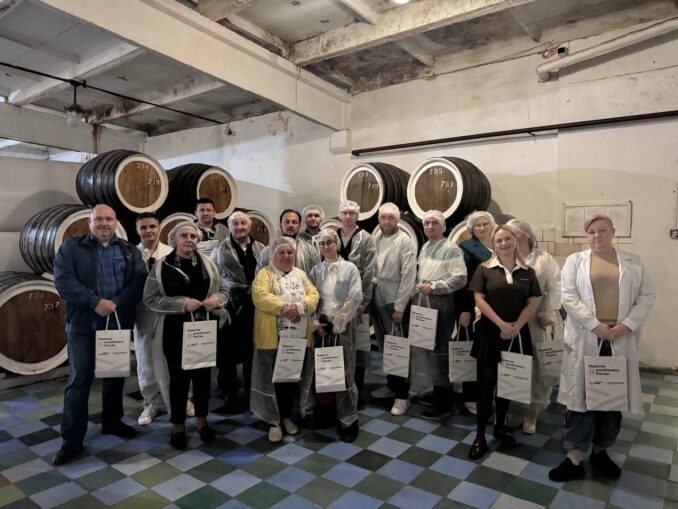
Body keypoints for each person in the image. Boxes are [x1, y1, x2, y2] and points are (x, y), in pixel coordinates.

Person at [549, 215, 656, 482]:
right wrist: (594, 325)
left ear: (613, 232)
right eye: (591, 232)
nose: (597, 236)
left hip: (619, 339)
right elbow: (568, 296)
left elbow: (647, 296)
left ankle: (600, 452)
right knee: (580, 401)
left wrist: (625, 326)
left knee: (610, 398)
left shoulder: (633, 262)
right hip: (587, 337)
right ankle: (574, 457)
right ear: (586, 235)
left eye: (602, 230)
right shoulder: (575, 261)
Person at [52, 204, 147, 465]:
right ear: (90, 222)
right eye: (99, 219)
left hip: (116, 323)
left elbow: (139, 281)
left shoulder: (128, 251)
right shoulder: (71, 248)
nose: (104, 223)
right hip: (81, 326)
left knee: (114, 377)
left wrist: (116, 302)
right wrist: (95, 302)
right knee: (79, 381)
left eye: (109, 219)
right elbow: (63, 281)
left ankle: (112, 422)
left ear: (116, 222)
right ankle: (71, 440)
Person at [143, 221, 229, 450]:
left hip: (204, 328)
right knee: (178, 379)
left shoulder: (209, 264)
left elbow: (224, 291)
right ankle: (178, 424)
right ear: (174, 239)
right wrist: (182, 304)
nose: (189, 239)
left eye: (193, 236)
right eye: (184, 235)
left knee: (203, 377)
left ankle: (201, 420)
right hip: (175, 330)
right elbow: (150, 299)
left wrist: (216, 300)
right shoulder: (161, 266)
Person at [467, 225, 542, 460]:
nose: (504, 244)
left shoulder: (527, 271)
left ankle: (500, 428)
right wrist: (502, 325)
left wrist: (516, 326)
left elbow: (534, 300)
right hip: (490, 333)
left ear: (515, 241)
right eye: (499, 240)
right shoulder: (484, 269)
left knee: (508, 382)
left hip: (517, 334)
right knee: (486, 385)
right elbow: (479, 299)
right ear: (493, 244)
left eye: (508, 239)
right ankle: (480, 436)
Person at [251, 237, 319, 442]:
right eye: (281, 252)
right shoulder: (265, 274)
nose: (286, 256)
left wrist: (301, 307)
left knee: (289, 378)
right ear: (273, 255)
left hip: (296, 337)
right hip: (271, 337)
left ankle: (286, 416)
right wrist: (285, 308)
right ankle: (273, 421)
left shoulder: (301, 274)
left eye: (290, 252)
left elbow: (313, 294)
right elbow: (260, 295)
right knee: (270, 379)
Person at [303, 229, 363, 442]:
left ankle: (348, 419)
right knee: (322, 370)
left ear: (337, 244)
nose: (326, 246)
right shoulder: (316, 270)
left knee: (344, 371)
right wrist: (316, 324)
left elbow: (354, 297)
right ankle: (325, 411)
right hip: (321, 327)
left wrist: (336, 324)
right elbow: (310, 298)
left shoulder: (349, 268)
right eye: (322, 243)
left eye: (329, 242)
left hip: (342, 329)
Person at [506, 218, 563, 434]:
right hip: (509, 319)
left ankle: (531, 411)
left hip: (535, 320)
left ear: (527, 236)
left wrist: (547, 312)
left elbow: (555, 287)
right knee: (511, 361)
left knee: (536, 365)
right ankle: (509, 405)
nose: (510, 237)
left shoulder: (543, 259)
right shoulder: (504, 256)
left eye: (514, 233)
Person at [410, 210, 467, 419]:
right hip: (424, 302)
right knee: (427, 347)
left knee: (441, 350)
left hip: (441, 303)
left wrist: (434, 287)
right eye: (426, 223)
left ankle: (444, 401)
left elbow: (460, 279)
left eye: (434, 223)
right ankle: (437, 388)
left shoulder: (451, 249)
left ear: (442, 226)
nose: (430, 226)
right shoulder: (426, 246)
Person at [211, 210, 265, 411]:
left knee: (252, 349)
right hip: (229, 306)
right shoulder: (219, 249)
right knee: (227, 352)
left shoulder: (261, 248)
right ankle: (229, 392)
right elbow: (214, 277)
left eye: (243, 223)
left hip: (255, 306)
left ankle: (252, 390)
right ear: (230, 227)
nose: (240, 227)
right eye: (235, 224)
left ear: (249, 226)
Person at [369, 203, 416, 416]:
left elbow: (408, 275)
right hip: (377, 297)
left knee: (399, 346)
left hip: (394, 299)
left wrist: (400, 306)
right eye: (383, 217)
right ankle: (391, 384)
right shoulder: (376, 238)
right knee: (385, 345)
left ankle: (402, 395)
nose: (387, 221)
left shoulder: (405, 241)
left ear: (397, 220)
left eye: (391, 217)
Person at [134, 213, 174, 426]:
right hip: (142, 313)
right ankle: (150, 402)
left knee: (172, 358)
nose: (148, 231)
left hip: (169, 313)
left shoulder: (171, 252)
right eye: (144, 227)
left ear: (159, 228)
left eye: (152, 226)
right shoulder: (132, 254)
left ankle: (182, 399)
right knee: (145, 359)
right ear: (137, 230)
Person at [337, 200, 377, 397]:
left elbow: (370, 271)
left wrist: (363, 302)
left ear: (357, 216)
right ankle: (338, 385)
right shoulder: (333, 236)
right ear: (339, 215)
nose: (348, 216)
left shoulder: (366, 238)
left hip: (357, 299)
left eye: (352, 213)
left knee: (358, 344)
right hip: (336, 300)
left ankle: (356, 389)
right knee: (338, 341)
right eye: (344, 212)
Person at [457, 211, 496, 414]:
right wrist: (464, 309)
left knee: (489, 353)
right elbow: (463, 281)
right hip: (473, 307)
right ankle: (470, 396)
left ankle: (487, 393)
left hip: (495, 308)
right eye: (477, 225)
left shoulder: (498, 244)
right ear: (471, 228)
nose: (482, 228)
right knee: (473, 353)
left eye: (485, 224)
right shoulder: (466, 247)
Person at [257, 209, 321, 275]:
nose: (291, 225)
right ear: (281, 225)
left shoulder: (311, 251)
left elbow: (318, 276)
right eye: (287, 222)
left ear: (299, 226)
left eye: (294, 222)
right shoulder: (267, 252)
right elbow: (259, 277)